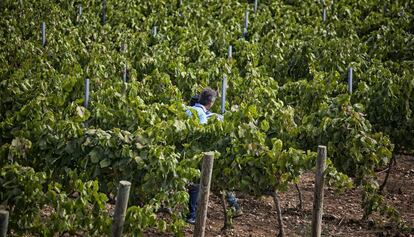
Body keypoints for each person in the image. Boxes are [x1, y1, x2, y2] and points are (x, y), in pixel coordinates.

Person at [185, 88, 242, 224]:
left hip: (188, 153)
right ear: (210, 102)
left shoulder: (188, 110)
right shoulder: (201, 115)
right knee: (210, 181)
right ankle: (233, 206)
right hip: (202, 155)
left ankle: (192, 214)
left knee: (195, 184)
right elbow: (205, 133)